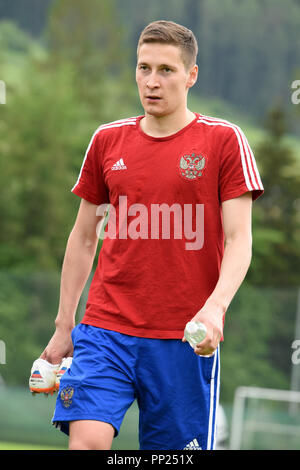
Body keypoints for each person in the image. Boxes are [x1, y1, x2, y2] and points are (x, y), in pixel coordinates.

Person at [39, 20, 264, 450]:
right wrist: (64, 324)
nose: (152, 81)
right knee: (86, 442)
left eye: (166, 70)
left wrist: (215, 308)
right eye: (144, 68)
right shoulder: (107, 141)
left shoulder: (224, 141)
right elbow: (84, 238)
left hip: (184, 338)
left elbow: (239, 240)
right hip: (106, 329)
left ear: (191, 75)